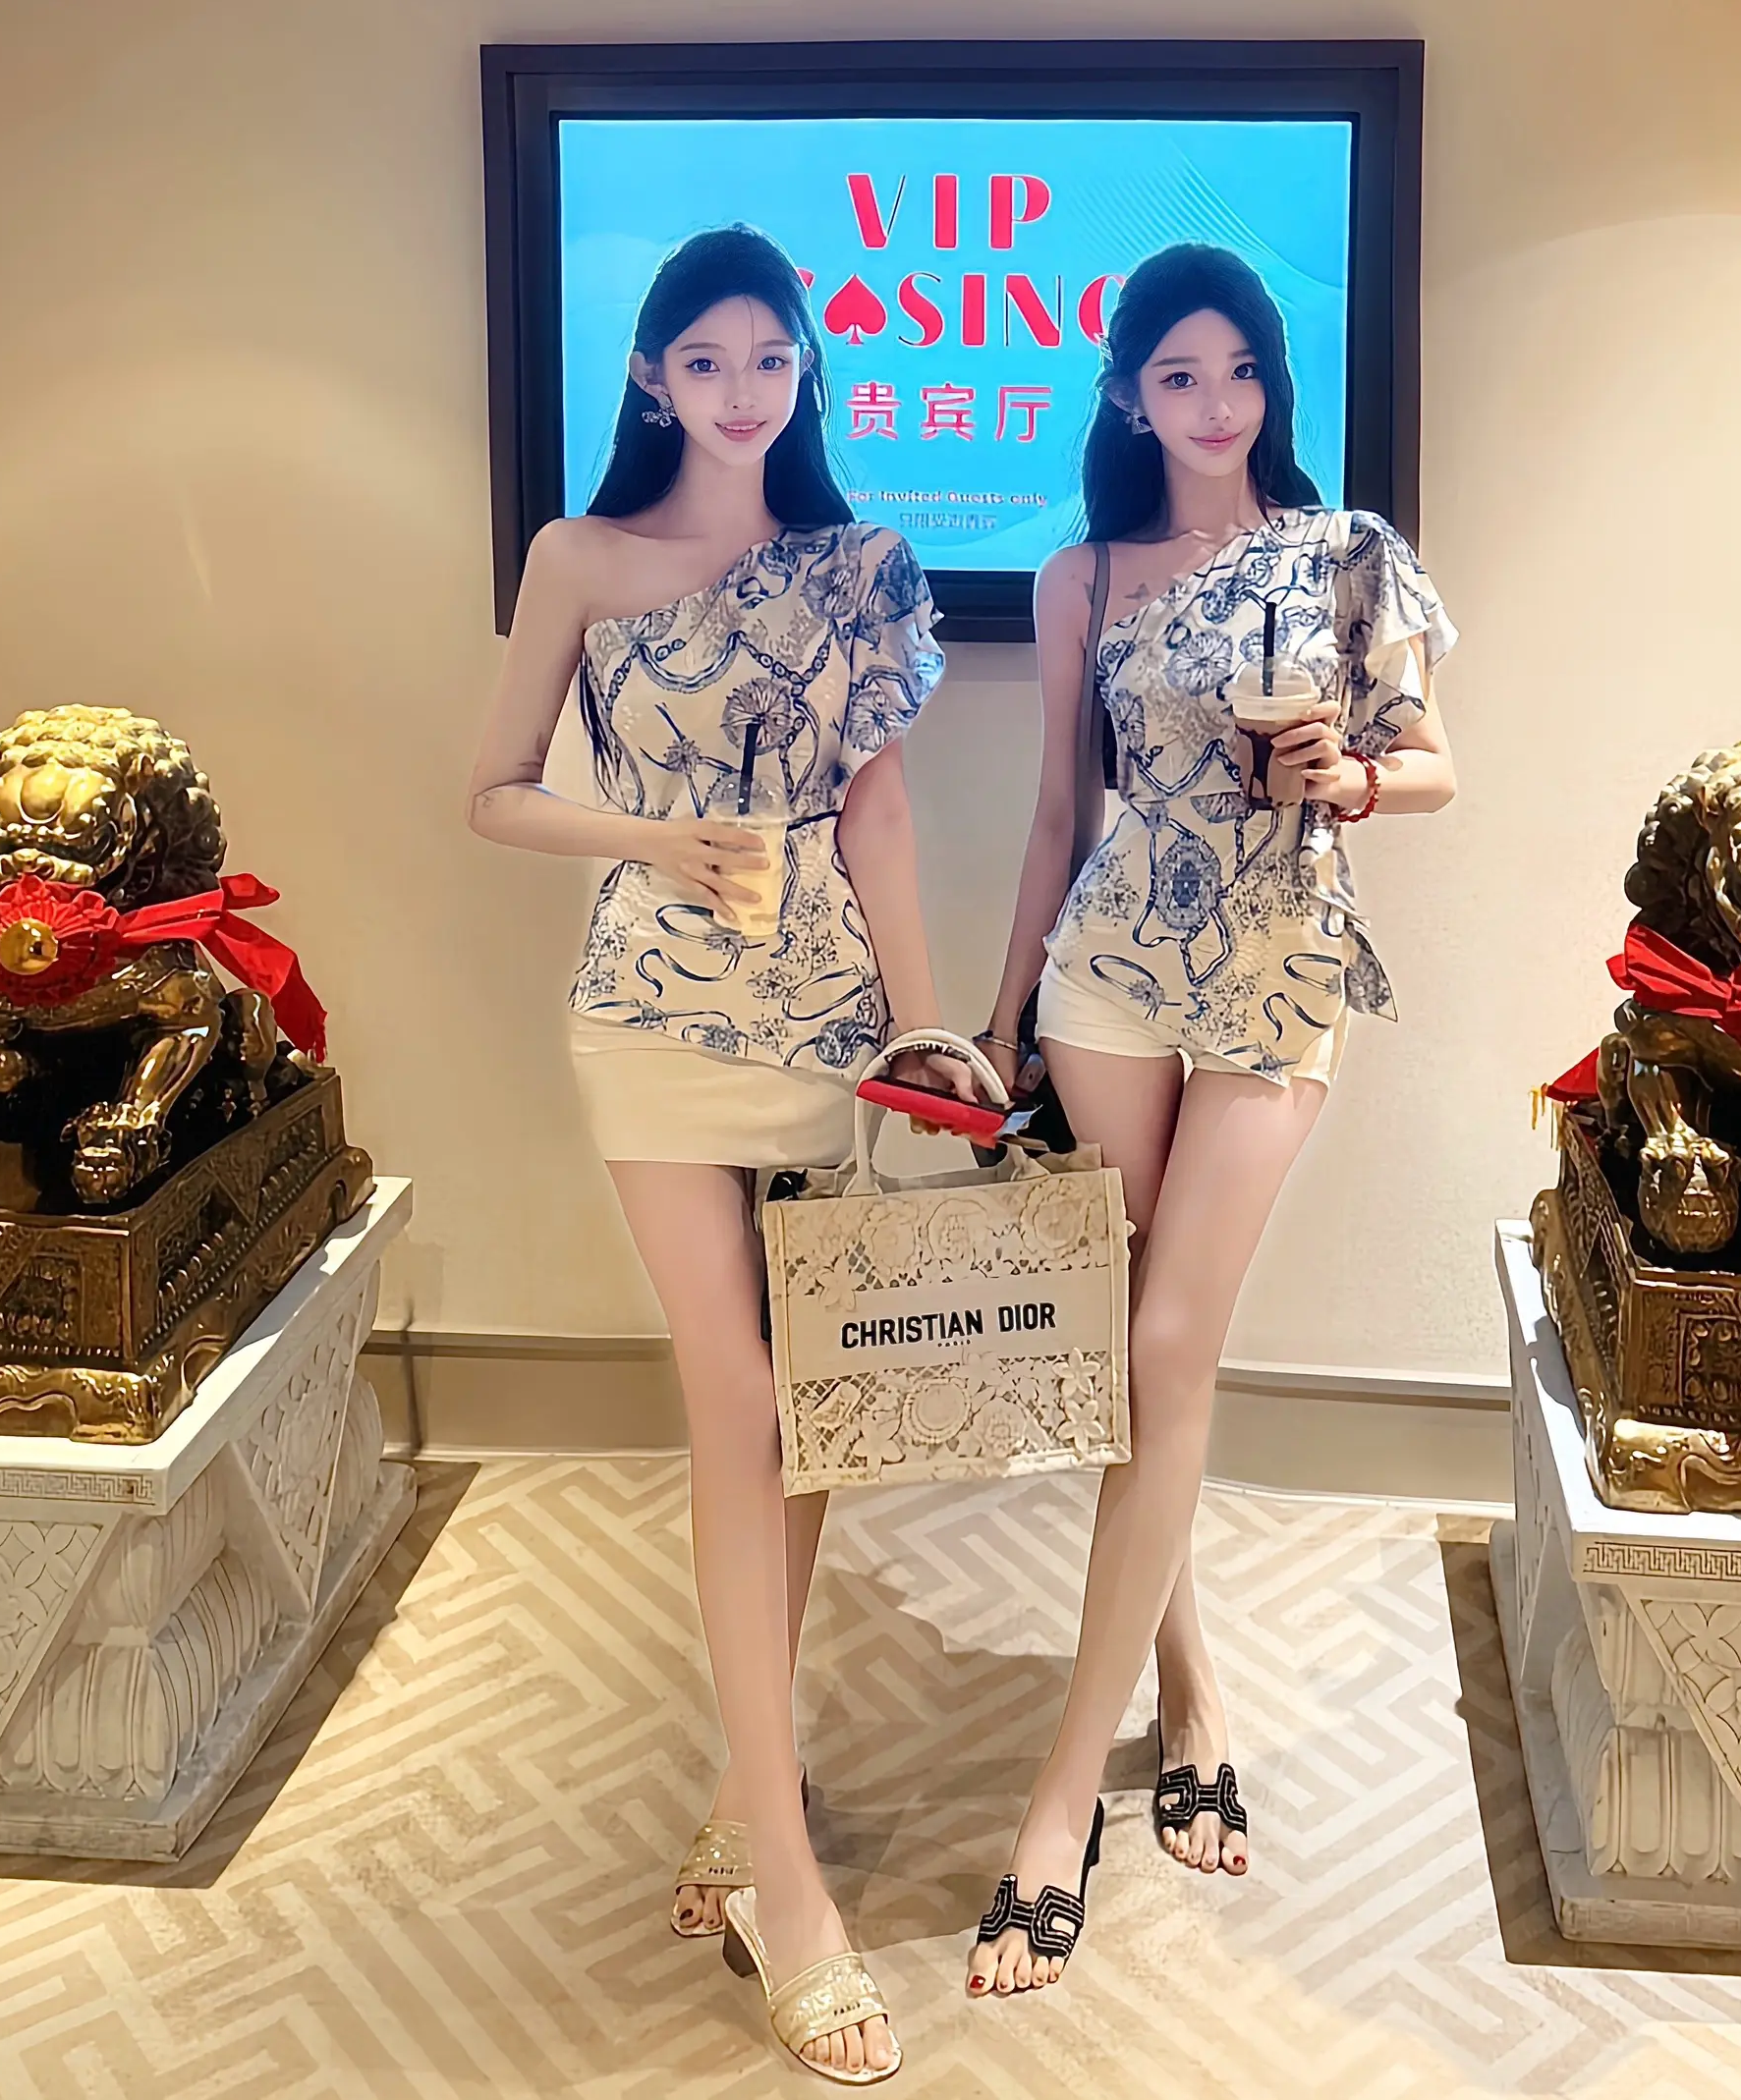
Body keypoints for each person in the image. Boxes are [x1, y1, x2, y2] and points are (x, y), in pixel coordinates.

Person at [469, 224, 975, 2085]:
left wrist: (925, 1025)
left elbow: (881, 814)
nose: (744, 389)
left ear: (805, 371)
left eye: (773, 357)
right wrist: (651, 839)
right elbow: (494, 789)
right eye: (708, 358)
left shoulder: (859, 564)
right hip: (648, 1019)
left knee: (806, 1407)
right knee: (735, 1395)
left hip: (826, 1021)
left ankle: (748, 1780)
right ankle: (789, 1879)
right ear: (650, 375)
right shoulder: (581, 557)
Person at [965, 243, 1457, 1995]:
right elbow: (1058, 815)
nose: (1215, 400)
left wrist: (1359, 776)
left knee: (1171, 1339)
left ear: (1271, 380)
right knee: (1138, 1352)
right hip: (1110, 971)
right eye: (1178, 374)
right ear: (1127, 395)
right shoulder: (1082, 573)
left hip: (1279, 966)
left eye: (1239, 367)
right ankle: (1186, 1685)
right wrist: (1002, 1017)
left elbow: (1437, 758)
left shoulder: (1345, 554)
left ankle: (1055, 1804)